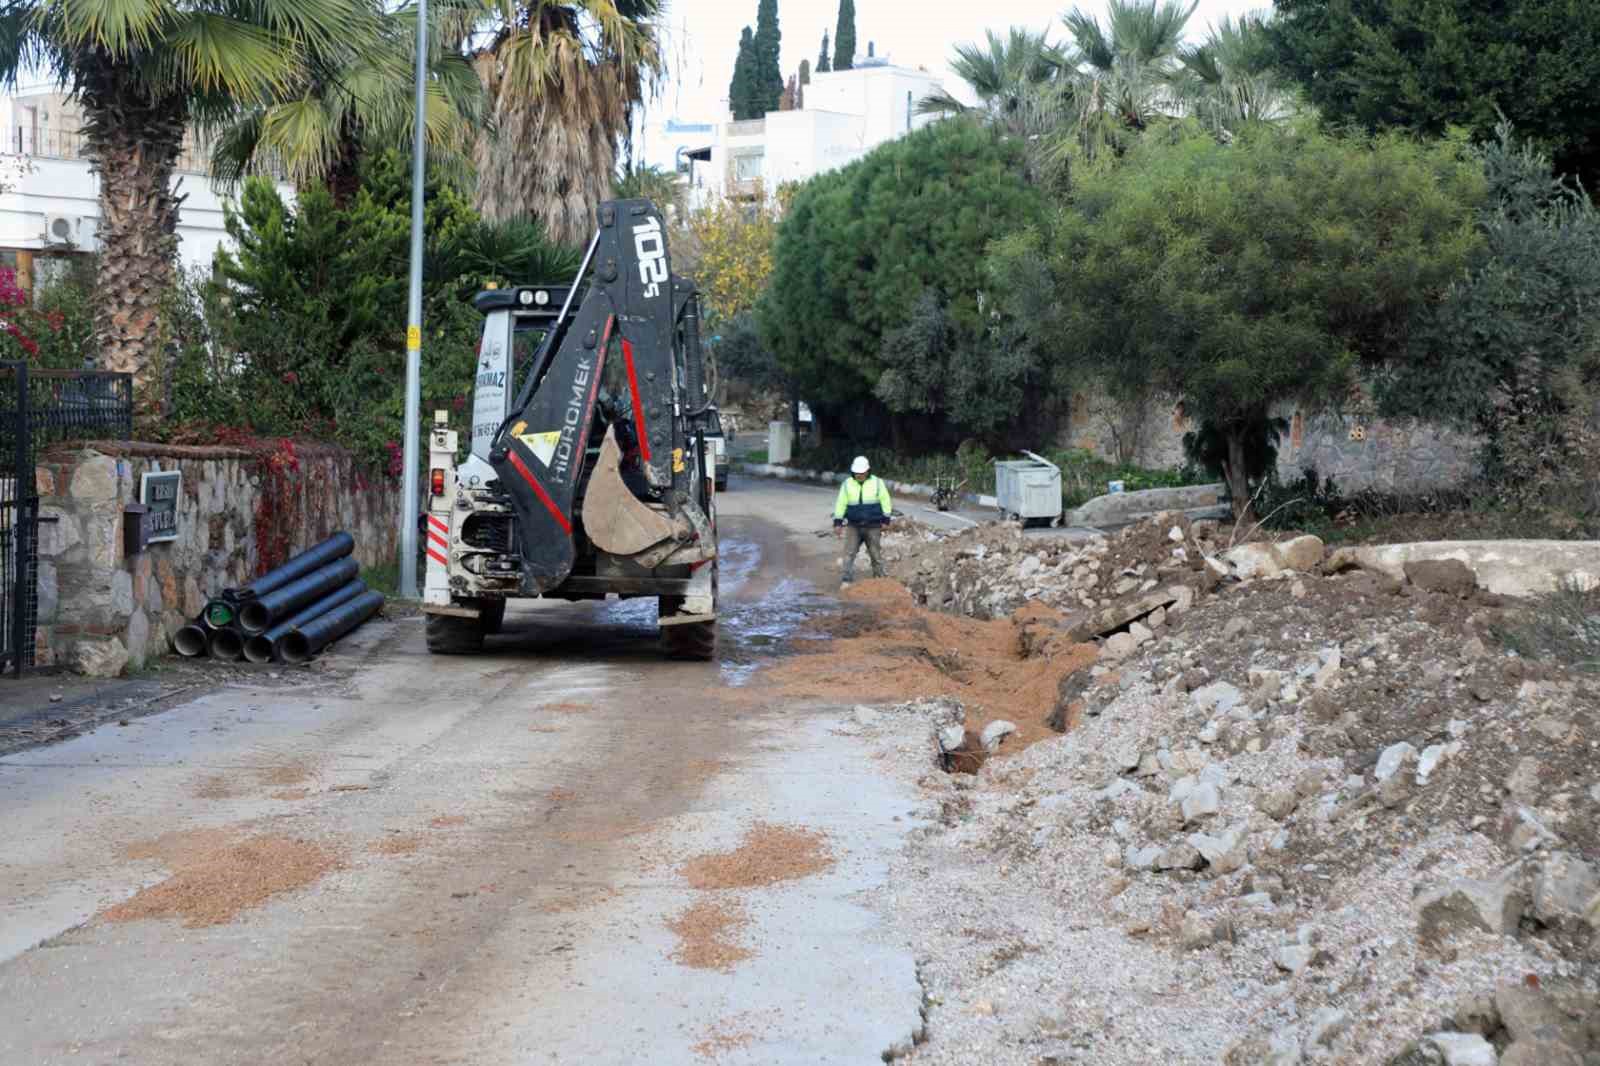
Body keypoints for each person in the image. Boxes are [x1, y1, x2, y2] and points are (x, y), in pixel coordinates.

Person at [833, 455, 892, 583]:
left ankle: (879, 579)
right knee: (849, 554)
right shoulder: (847, 484)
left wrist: (886, 520)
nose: (859, 475)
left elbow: (885, 500)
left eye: (861, 472)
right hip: (853, 526)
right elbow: (841, 503)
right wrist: (837, 522)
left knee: (875, 554)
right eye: (857, 473)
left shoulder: (877, 482)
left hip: (873, 526)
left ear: (867, 471)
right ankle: (846, 580)